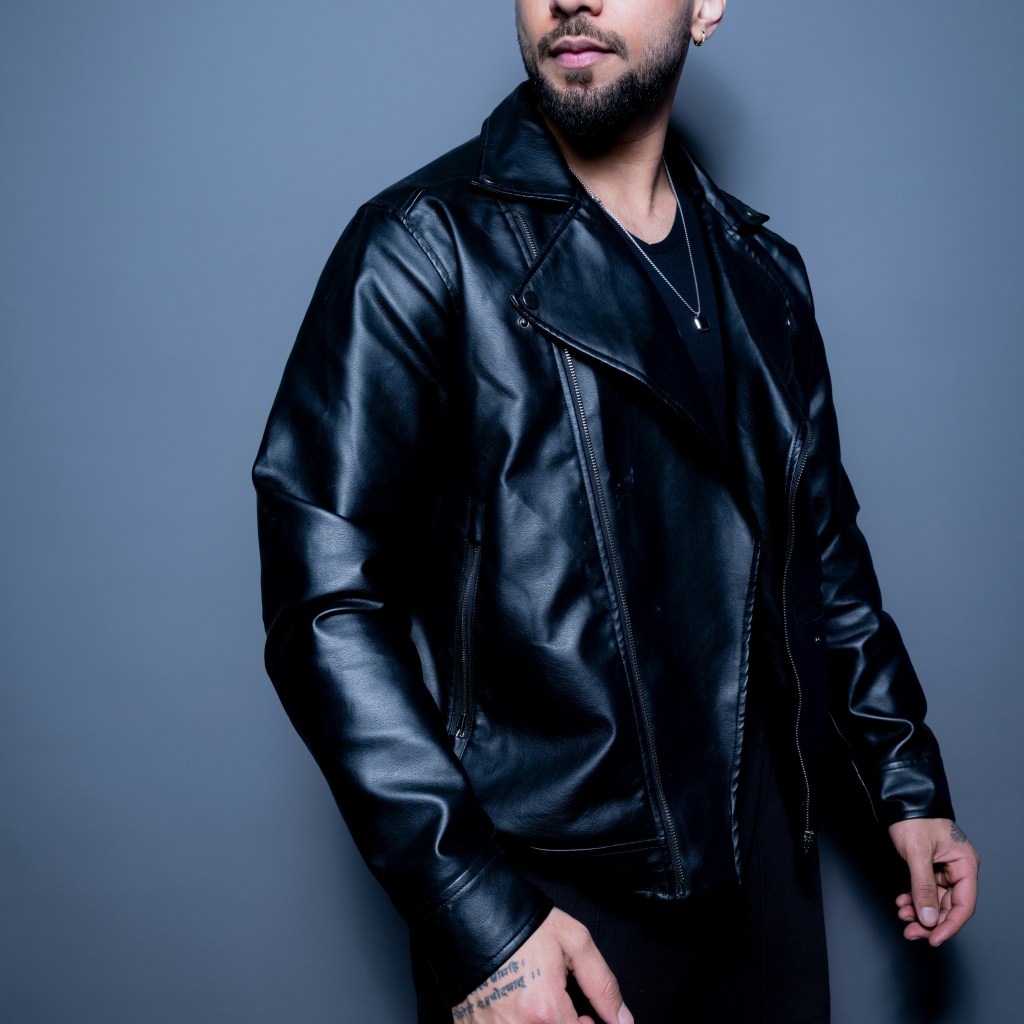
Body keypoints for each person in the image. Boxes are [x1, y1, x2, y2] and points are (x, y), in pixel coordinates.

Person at [253, 2, 980, 1021]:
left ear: (706, 5)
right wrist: (476, 915)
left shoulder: (765, 276)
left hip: (769, 889)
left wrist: (905, 782)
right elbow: (326, 602)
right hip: (555, 914)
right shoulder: (421, 246)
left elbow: (822, 552)